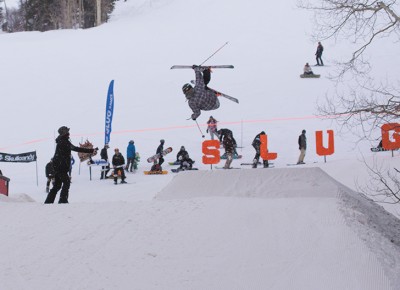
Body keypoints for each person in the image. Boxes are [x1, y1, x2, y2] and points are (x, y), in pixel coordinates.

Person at [44, 126, 98, 204]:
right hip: (61, 167)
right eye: (67, 131)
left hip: (58, 167)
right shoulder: (64, 141)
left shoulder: (61, 140)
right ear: (64, 132)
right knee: (66, 182)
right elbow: (76, 148)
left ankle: (48, 202)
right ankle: (63, 200)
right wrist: (91, 150)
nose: (69, 133)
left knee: (57, 186)